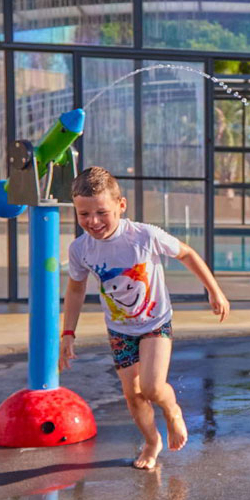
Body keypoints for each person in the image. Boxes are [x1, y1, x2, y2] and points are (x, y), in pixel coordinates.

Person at [58, 166, 230, 469]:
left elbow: (187, 254)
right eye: (84, 215)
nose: (93, 222)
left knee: (151, 388)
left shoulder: (143, 236)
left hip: (154, 323)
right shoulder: (80, 249)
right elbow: (75, 289)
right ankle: (152, 442)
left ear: (121, 206)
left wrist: (214, 291)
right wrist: (68, 333)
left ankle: (172, 409)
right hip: (119, 329)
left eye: (102, 212)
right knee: (133, 395)